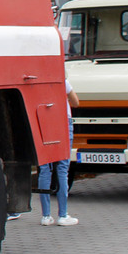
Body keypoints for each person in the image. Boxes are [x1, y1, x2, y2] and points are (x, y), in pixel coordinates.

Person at [39, 79, 81, 226]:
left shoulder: (38, 81)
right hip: (63, 122)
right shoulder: (62, 80)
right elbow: (76, 102)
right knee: (62, 168)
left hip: (43, 122)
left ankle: (45, 216)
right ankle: (63, 215)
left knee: (44, 168)